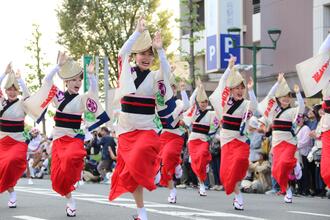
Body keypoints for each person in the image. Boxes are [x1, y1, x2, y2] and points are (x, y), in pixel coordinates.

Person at [25, 52, 110, 217]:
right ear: (66, 81)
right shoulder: (58, 97)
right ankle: (70, 199)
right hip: (58, 140)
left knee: (72, 156)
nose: (78, 83)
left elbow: (93, 91)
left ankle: (75, 176)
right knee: (57, 177)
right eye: (74, 80)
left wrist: (92, 76)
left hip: (74, 139)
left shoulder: (82, 99)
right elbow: (47, 81)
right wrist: (58, 66)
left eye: (80, 79)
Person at [109, 17, 172, 220]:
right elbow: (122, 53)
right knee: (132, 173)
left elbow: (167, 73)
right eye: (142, 53)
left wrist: (160, 50)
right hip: (126, 130)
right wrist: (137, 32)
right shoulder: (126, 73)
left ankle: (153, 169)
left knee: (141, 154)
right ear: (135, 55)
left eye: (149, 55)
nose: (146, 57)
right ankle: (141, 212)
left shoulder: (155, 77)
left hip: (146, 129)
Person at [209, 55, 257, 210]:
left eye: (242, 88)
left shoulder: (246, 103)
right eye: (237, 87)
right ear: (231, 90)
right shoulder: (224, 101)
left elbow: (254, 106)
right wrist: (229, 67)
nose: (240, 90)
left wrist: (251, 91)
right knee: (225, 173)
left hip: (241, 140)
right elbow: (222, 82)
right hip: (227, 140)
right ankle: (238, 195)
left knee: (240, 162)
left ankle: (238, 193)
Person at [259, 73, 304, 203]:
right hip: (277, 143)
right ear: (278, 99)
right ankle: (287, 190)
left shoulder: (292, 111)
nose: (285, 99)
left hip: (289, 142)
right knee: (276, 171)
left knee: (285, 163)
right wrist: (277, 83)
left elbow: (301, 107)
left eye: (288, 97)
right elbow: (269, 96)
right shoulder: (273, 109)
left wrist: (298, 93)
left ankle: (294, 164)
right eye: (283, 97)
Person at [0, 64, 31, 208]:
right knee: (2, 168)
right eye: (9, 89)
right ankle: (12, 193)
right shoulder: (1, 103)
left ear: (18, 91)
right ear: (5, 90)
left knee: (10, 162)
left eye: (14, 89)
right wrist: (4, 74)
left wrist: (20, 80)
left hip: (18, 141)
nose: (12, 92)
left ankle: (11, 192)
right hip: (2, 141)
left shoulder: (23, 104)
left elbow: (28, 95)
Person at [184, 82, 219, 197]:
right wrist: (197, 89)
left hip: (203, 140)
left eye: (205, 102)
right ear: (198, 103)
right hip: (193, 140)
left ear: (207, 103)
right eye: (201, 102)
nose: (203, 104)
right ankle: (202, 184)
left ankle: (203, 180)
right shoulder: (193, 112)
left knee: (202, 155)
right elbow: (190, 101)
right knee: (196, 163)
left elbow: (216, 121)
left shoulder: (211, 114)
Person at [158, 78, 189, 203]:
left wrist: (183, 90)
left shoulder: (178, 103)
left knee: (168, 156)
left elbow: (186, 105)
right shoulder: (160, 104)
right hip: (163, 136)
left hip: (176, 135)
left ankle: (176, 162)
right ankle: (172, 190)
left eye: (173, 88)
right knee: (164, 165)